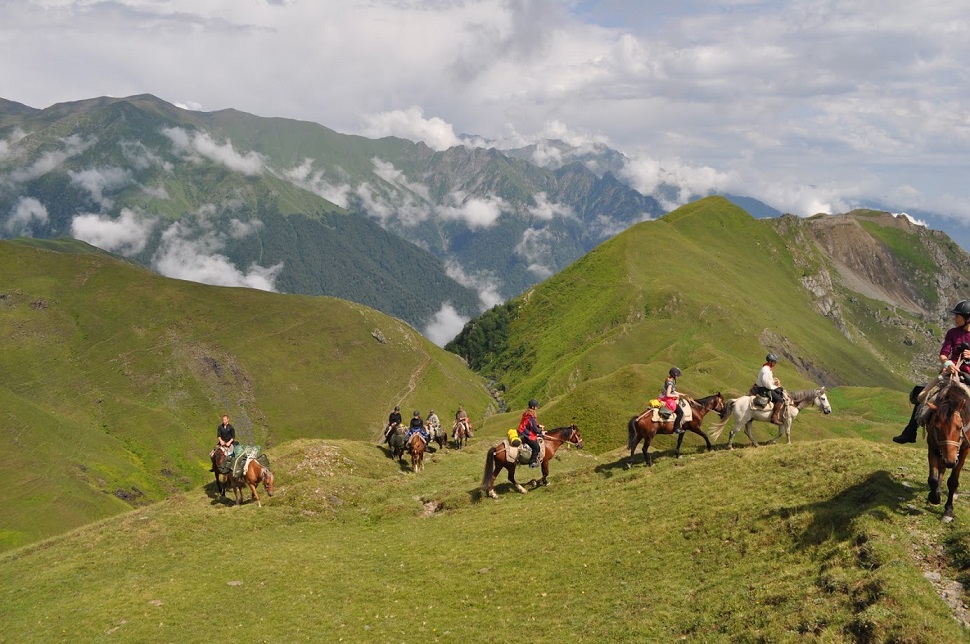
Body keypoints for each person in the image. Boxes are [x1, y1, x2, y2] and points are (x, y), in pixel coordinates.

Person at [893, 300, 970, 443]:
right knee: (923, 394)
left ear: (968, 318)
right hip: (951, 373)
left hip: (969, 376)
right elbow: (943, 354)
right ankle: (910, 431)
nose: (955, 318)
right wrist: (947, 363)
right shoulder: (952, 333)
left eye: (958, 316)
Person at [755, 354, 786, 426]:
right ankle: (774, 417)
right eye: (774, 362)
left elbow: (768, 381)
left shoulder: (767, 368)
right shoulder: (766, 371)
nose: (775, 364)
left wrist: (774, 382)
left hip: (765, 387)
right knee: (780, 400)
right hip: (764, 389)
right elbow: (767, 384)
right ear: (770, 361)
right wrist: (776, 387)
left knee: (779, 391)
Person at [517, 399, 545, 468]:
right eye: (536, 406)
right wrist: (541, 432)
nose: (537, 407)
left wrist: (538, 425)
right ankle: (532, 462)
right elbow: (534, 429)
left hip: (522, 431)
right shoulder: (530, 416)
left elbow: (532, 424)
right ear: (533, 407)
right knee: (536, 447)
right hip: (526, 434)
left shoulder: (527, 414)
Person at [659, 367, 685, 434]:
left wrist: (680, 393)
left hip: (662, 397)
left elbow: (672, 391)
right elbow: (668, 394)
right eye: (677, 376)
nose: (677, 377)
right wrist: (675, 395)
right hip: (667, 399)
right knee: (680, 413)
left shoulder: (668, 379)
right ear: (674, 375)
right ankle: (676, 428)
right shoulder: (670, 383)